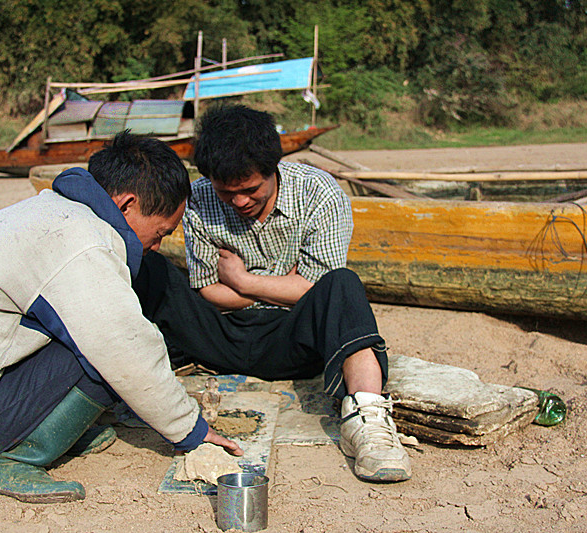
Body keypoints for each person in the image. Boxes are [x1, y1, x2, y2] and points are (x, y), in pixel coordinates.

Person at [0, 132, 241, 504]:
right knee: (112, 354)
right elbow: (126, 350)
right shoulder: (81, 242)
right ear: (127, 204)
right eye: (159, 234)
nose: (156, 248)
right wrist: (190, 429)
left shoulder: (53, 213)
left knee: (99, 333)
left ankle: (53, 428)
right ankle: (16, 459)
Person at [133, 104, 411, 482]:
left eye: (250, 190)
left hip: (293, 339)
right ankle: (113, 379)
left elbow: (318, 291)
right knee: (151, 266)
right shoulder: (197, 198)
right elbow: (207, 289)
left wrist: (245, 282)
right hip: (218, 333)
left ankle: (367, 418)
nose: (240, 201)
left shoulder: (320, 194)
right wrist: (285, 285)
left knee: (343, 284)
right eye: (227, 193)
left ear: (273, 168)